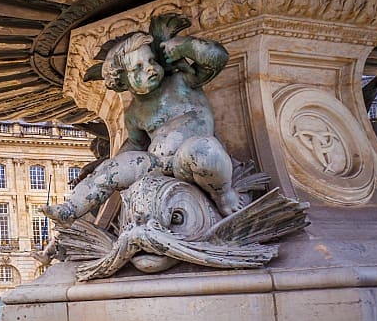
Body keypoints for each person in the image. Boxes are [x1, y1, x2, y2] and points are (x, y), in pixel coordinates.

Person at [42, 14, 242, 227]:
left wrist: (185, 47)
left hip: (187, 156)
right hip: (155, 163)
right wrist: (112, 164)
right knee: (110, 172)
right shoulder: (134, 113)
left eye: (152, 60)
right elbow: (135, 145)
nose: (149, 68)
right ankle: (70, 209)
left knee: (205, 151)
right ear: (121, 81)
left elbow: (218, 58)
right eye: (137, 67)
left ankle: (224, 195)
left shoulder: (181, 81)